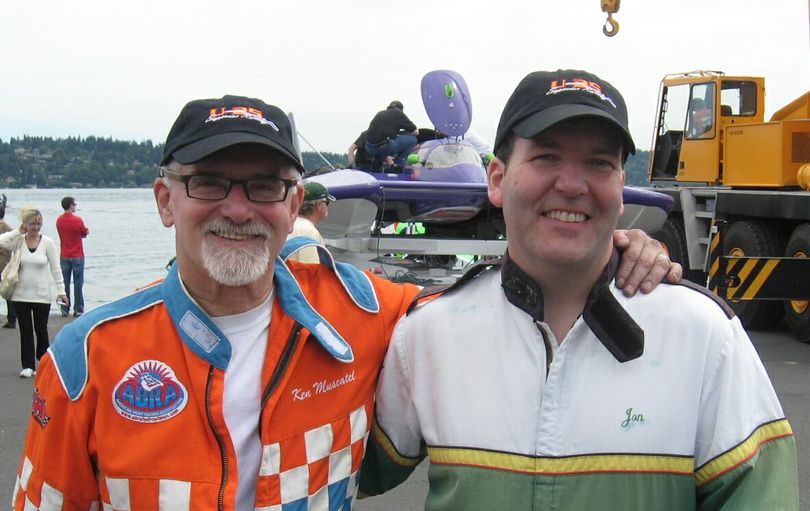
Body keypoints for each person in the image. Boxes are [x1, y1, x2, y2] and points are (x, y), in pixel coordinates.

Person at [12, 94, 677, 510]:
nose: (239, 208)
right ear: (166, 200)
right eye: (210, 183)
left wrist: (603, 249)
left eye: (266, 186)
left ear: (294, 204)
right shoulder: (85, 356)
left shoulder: (368, 314)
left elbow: (491, 306)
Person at [361, 70, 798, 509]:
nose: (572, 185)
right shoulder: (429, 333)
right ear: (497, 178)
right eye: (547, 157)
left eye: (599, 163)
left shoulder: (704, 335)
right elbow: (333, 472)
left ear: (621, 188)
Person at [0, 208, 67, 379]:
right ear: (25, 225)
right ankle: (27, 365)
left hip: (42, 295)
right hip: (20, 295)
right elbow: (1, 241)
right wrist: (17, 231)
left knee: (41, 330)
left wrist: (61, 291)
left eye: (38, 223)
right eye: (32, 224)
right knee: (26, 330)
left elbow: (55, 268)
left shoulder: (48, 242)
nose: (36, 227)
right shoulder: (19, 241)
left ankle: (43, 362)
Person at [56, 195, 90, 317]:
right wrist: (86, 232)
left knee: (64, 283)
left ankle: (65, 308)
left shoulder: (59, 220)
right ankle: (78, 308)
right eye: (74, 204)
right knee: (78, 282)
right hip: (77, 255)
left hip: (64, 254)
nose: (75, 206)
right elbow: (84, 232)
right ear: (70, 205)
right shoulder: (77, 220)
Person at [287, 182, 335, 263]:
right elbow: (310, 269)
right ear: (319, 205)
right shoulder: (310, 232)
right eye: (327, 202)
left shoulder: (289, 225)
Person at [364, 100, 418, 169]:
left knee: (387, 141)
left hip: (369, 148)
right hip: (383, 148)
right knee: (413, 139)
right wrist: (404, 132)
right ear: (400, 110)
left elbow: (382, 132)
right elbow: (416, 132)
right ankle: (399, 165)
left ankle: (377, 162)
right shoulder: (399, 113)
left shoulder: (380, 113)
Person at [0, 194, 17, 328]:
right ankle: (12, 318)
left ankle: (11, 318)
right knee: (7, 291)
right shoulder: (8, 228)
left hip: (3, 263)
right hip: (5, 263)